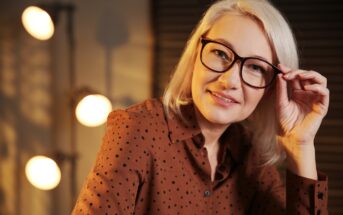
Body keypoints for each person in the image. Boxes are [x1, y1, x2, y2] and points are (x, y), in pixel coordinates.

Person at [72, 0, 329, 214]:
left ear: (273, 87)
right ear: (196, 54)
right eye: (220, 53)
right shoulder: (139, 128)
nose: (228, 81)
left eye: (255, 67)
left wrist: (301, 145)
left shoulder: (252, 159)